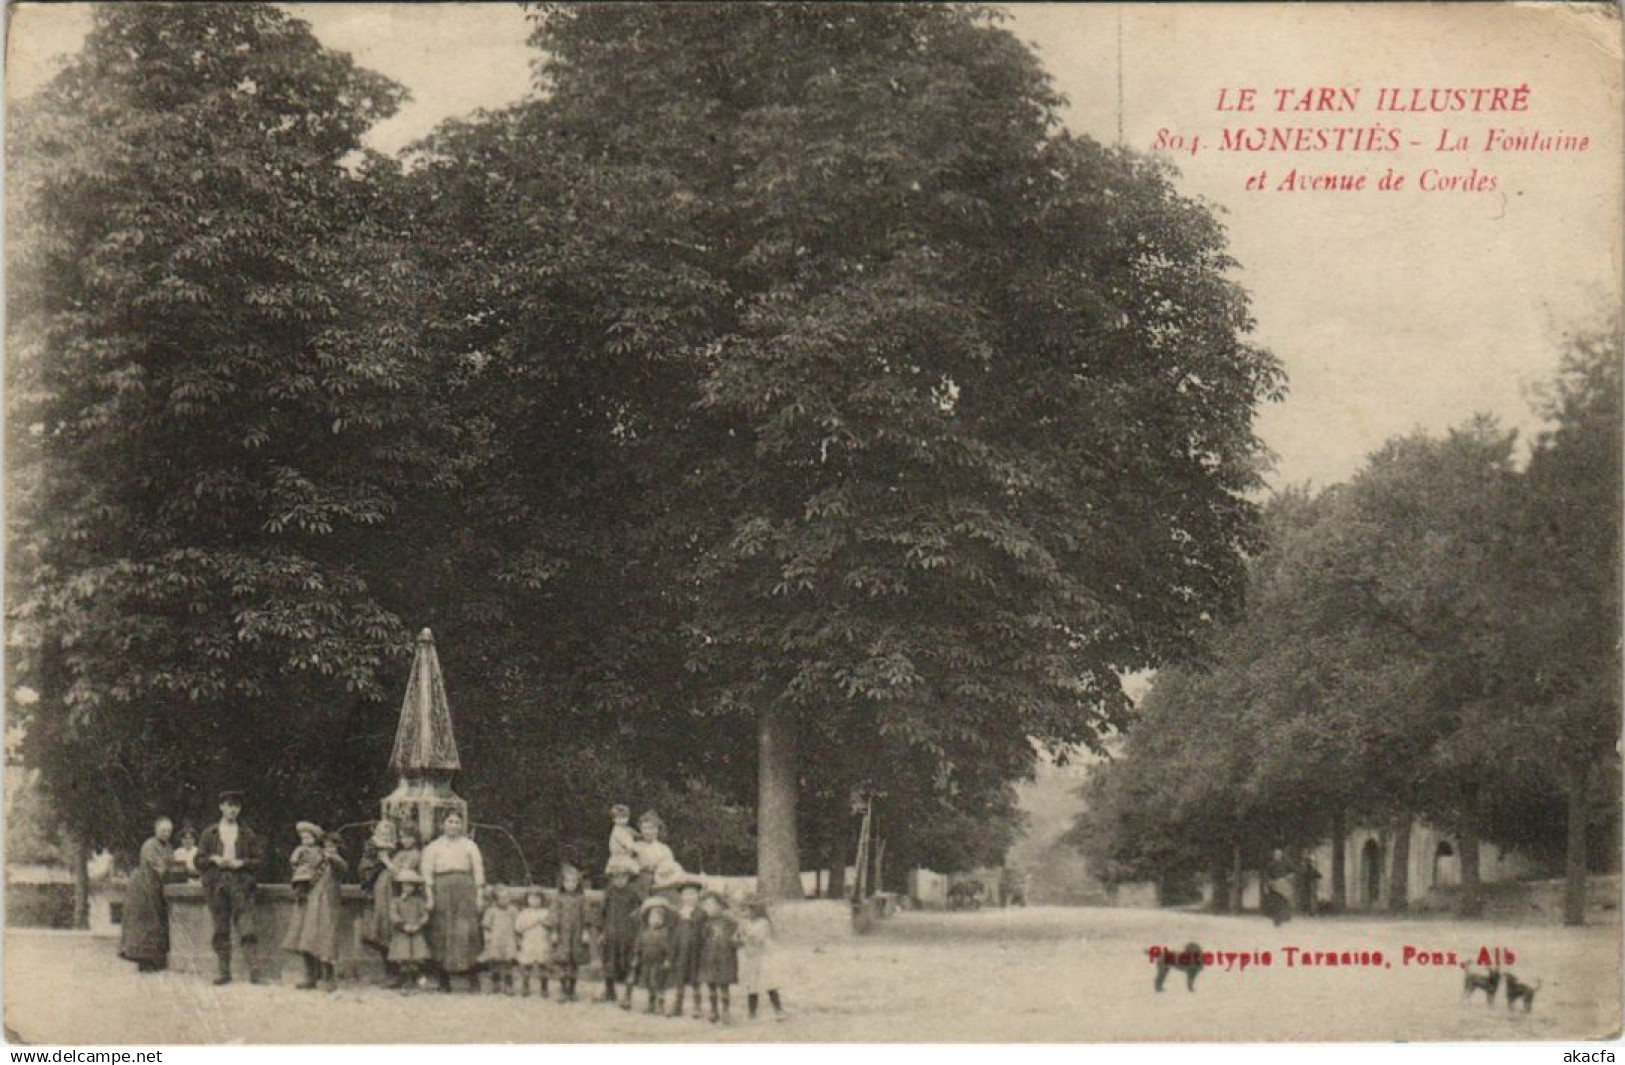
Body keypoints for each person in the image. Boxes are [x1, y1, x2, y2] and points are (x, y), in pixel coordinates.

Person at [195, 789, 266, 985]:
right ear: (221, 807)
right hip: (217, 884)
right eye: (228, 805)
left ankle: (254, 969)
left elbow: (259, 860)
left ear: (239, 809)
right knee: (220, 928)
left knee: (246, 926)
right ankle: (224, 972)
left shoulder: (246, 833)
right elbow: (198, 860)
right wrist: (213, 859)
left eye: (236, 806)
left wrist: (241, 863)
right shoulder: (209, 833)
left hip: (240, 884)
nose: (232, 809)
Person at [421, 810, 485, 991]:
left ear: (462, 825)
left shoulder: (470, 845)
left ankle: (472, 977)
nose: (453, 826)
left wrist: (479, 895)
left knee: (467, 930)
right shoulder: (433, 847)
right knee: (442, 930)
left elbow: (478, 870)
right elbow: (427, 873)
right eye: (450, 822)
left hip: (465, 887)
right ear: (443, 824)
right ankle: (444, 979)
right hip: (441, 888)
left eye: (457, 822)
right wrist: (430, 896)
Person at [283, 829, 347, 992]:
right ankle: (310, 976)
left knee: (326, 939)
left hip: (327, 903)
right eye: (327, 846)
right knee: (306, 938)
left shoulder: (334, 861)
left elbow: (343, 868)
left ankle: (328, 977)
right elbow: (299, 869)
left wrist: (333, 857)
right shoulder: (313, 855)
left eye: (333, 847)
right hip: (308, 902)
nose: (329, 849)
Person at [119, 816, 174, 972]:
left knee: (157, 922)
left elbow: (171, 863)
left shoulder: (168, 846)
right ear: (156, 830)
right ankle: (144, 960)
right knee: (145, 923)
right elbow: (160, 867)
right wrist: (170, 870)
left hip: (157, 886)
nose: (166, 833)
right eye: (163, 830)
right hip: (143, 887)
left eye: (169, 831)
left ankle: (156, 959)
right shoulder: (150, 845)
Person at [358, 820, 399, 982]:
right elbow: (364, 869)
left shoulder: (397, 848)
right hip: (378, 891)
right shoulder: (372, 847)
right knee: (381, 927)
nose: (385, 833)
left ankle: (396, 971)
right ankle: (388, 970)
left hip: (394, 892)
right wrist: (381, 863)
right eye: (382, 830)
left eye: (389, 830)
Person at [601, 854, 644, 1005]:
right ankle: (609, 990)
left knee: (627, 961)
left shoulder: (633, 893)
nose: (620, 880)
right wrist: (603, 931)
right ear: (612, 878)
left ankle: (627, 994)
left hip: (627, 933)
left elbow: (639, 911)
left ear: (628, 878)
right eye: (616, 877)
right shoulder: (609, 892)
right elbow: (603, 912)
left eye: (623, 877)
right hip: (611, 932)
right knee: (609, 960)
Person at [737, 895, 786, 1021]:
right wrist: (740, 937)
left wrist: (746, 935)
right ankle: (752, 1012)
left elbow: (759, 939)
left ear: (755, 910)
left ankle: (778, 1010)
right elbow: (736, 938)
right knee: (751, 985)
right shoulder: (744, 923)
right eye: (743, 909)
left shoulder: (763, 923)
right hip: (751, 957)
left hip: (763, 957)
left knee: (769, 983)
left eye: (746, 909)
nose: (744, 912)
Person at [547, 863, 589, 1003]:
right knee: (562, 960)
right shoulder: (558, 898)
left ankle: (572, 988)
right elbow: (553, 916)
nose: (570, 884)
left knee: (574, 961)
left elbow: (586, 916)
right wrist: (553, 931)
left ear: (578, 883)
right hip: (562, 934)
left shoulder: (581, 899)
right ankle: (563, 989)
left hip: (576, 934)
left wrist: (586, 932)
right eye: (567, 881)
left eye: (573, 881)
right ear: (562, 882)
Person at [666, 879, 707, 1018]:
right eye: (686, 894)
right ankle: (678, 1005)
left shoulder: (701, 913)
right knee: (679, 979)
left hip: (695, 951)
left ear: (698, 896)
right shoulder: (677, 913)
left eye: (693, 894)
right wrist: (671, 954)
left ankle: (697, 1006)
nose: (689, 897)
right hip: (680, 952)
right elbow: (672, 933)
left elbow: (703, 932)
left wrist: (690, 919)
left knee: (695, 980)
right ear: (681, 896)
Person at [697, 890, 739, 1024]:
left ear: (720, 905)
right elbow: (703, 938)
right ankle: (714, 1010)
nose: (708, 908)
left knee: (724, 985)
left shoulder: (729, 921)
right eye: (706, 905)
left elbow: (736, 937)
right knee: (711, 985)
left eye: (711, 905)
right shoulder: (705, 923)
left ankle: (726, 1010)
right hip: (709, 957)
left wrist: (734, 942)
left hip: (725, 957)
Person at [629, 895, 675, 1014]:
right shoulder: (644, 933)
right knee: (649, 983)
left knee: (658, 984)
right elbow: (638, 946)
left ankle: (660, 1004)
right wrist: (636, 957)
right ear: (647, 918)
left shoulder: (665, 933)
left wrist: (667, 959)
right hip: (646, 962)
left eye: (660, 917)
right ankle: (651, 1003)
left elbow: (669, 949)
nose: (656, 920)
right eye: (653, 917)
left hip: (658, 964)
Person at [388, 869, 431, 994]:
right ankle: (405, 983)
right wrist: (402, 924)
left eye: (411, 885)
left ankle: (417, 979)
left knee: (416, 958)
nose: (408, 888)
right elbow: (393, 915)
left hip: (416, 932)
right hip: (402, 933)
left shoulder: (418, 901)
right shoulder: (396, 901)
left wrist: (420, 924)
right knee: (403, 958)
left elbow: (425, 914)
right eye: (405, 885)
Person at [479, 885, 520, 994]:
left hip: (509, 940)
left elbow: (518, 925)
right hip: (495, 940)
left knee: (508, 963)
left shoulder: (513, 910)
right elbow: (486, 926)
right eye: (502, 898)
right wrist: (487, 938)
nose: (505, 900)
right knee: (494, 962)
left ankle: (508, 984)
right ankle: (495, 983)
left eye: (507, 897)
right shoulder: (491, 911)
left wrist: (518, 939)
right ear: (496, 899)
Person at [514, 887, 552, 998]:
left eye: (537, 898)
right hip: (529, 942)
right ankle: (525, 986)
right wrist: (532, 922)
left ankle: (544, 987)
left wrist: (545, 922)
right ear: (527, 899)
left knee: (543, 965)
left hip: (542, 941)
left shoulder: (545, 912)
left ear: (541, 899)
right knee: (527, 965)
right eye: (531, 898)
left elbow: (551, 925)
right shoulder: (523, 913)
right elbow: (518, 928)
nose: (534, 901)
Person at [631, 810, 675, 896]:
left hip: (661, 883)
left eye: (651, 828)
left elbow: (669, 867)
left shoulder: (664, 849)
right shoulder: (635, 846)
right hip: (640, 883)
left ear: (657, 830)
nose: (647, 832)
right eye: (645, 828)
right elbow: (630, 866)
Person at [289, 821, 324, 895]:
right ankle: (300, 894)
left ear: (315, 838)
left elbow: (322, 859)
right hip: (304, 870)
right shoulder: (301, 849)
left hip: (315, 871)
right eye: (303, 839)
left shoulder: (318, 849)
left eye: (308, 838)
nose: (306, 841)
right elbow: (294, 858)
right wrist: (295, 862)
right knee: (302, 883)